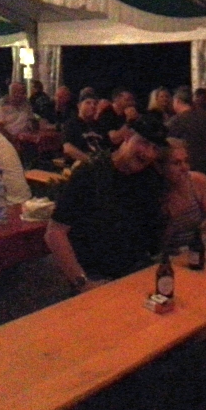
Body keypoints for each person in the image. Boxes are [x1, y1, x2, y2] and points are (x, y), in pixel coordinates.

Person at [44, 115, 168, 292]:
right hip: (95, 276)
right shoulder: (90, 174)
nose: (148, 153)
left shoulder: (149, 178)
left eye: (155, 148)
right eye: (144, 143)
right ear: (127, 137)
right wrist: (83, 283)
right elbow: (55, 233)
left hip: (137, 272)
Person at [159, 138, 206, 255]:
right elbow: (158, 245)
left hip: (201, 249)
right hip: (170, 256)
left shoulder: (198, 181)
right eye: (177, 163)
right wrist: (172, 218)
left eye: (186, 161)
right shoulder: (157, 193)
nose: (185, 168)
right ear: (161, 168)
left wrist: (203, 241)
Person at [166, 86, 206, 174]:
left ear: (177, 101)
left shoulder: (177, 120)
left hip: (187, 165)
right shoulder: (203, 115)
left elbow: (163, 137)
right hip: (205, 163)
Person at [62, 93, 109, 164]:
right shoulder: (71, 124)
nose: (92, 106)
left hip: (103, 163)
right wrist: (90, 160)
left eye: (95, 104)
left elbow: (108, 147)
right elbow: (67, 148)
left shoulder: (100, 126)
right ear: (79, 106)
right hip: (81, 164)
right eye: (88, 103)